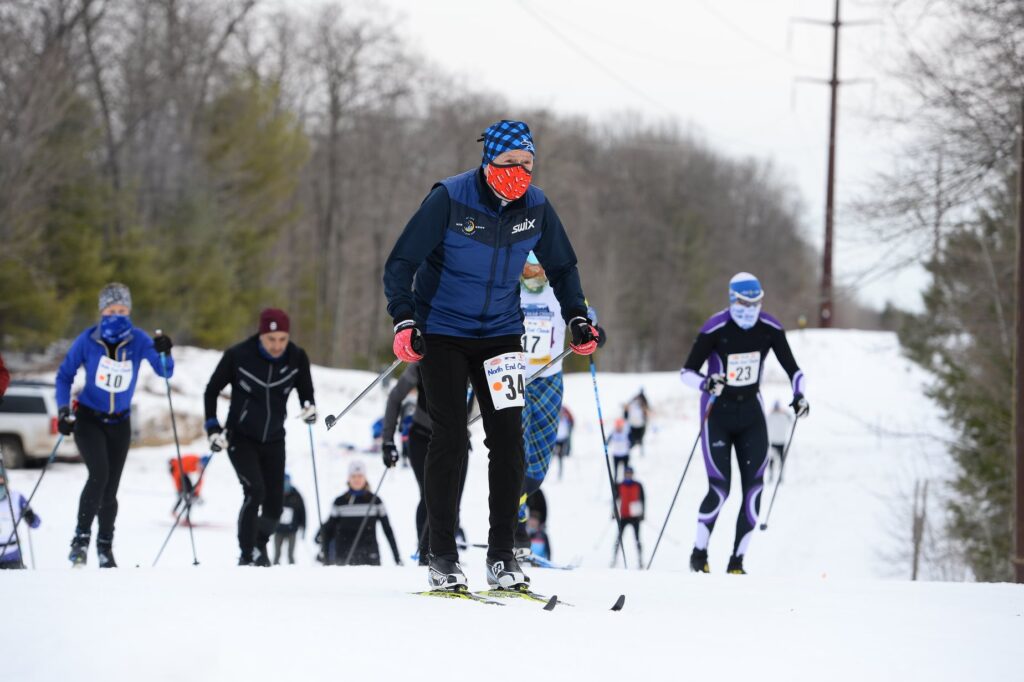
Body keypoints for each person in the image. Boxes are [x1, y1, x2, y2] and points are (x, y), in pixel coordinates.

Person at [382, 119, 599, 591]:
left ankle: (502, 555)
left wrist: (578, 317)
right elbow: (401, 262)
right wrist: (404, 319)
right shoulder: (450, 198)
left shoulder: (537, 207)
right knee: (451, 437)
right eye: (510, 163)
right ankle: (441, 553)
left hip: (501, 335)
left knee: (508, 440)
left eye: (527, 164)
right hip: (441, 332)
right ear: (488, 162)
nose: (519, 172)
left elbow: (562, 266)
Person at [679, 272, 809, 575]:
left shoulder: (770, 328)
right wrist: (707, 384)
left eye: (756, 303)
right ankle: (700, 554)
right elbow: (686, 372)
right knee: (720, 488)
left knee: (753, 489)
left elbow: (795, 370)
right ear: (732, 299)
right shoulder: (716, 327)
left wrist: (799, 396)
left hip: (751, 413)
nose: (750, 309)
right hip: (717, 414)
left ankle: (737, 563)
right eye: (743, 302)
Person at [56, 282, 174, 568]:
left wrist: (164, 351)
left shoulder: (138, 339)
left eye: (122, 310)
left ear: (129, 310)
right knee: (99, 474)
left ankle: (105, 548)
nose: (117, 315)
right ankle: (80, 540)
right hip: (89, 419)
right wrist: (62, 411)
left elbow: (164, 371)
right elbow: (64, 375)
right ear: (102, 311)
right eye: (111, 310)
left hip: (120, 424)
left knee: (109, 491)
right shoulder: (88, 340)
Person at [203, 308, 316, 566]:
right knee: (255, 491)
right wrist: (212, 428)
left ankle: (258, 544)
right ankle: (246, 554)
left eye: (282, 340)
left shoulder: (297, 357)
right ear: (261, 335)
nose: (277, 346)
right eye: (271, 339)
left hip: (275, 438)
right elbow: (211, 391)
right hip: (240, 437)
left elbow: (306, 391)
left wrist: (309, 407)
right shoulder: (238, 355)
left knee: (275, 505)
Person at [516, 252, 605, 556]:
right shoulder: (508, 290)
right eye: (528, 269)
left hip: (550, 379)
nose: (534, 275)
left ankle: (520, 503)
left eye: (540, 268)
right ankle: (515, 528)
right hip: (516, 378)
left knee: (539, 460)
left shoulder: (560, 291)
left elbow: (585, 315)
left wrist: (593, 331)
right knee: (515, 451)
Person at [382, 363, 470, 565]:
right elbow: (395, 397)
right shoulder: (423, 362)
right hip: (423, 439)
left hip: (458, 439)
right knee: (431, 496)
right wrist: (388, 440)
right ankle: (426, 554)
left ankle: (447, 555)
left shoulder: (473, 360)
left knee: (454, 501)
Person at [318, 461, 401, 566]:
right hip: (344, 558)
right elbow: (328, 531)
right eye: (353, 476)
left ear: (365, 478)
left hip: (370, 557)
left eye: (360, 476)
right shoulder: (339, 502)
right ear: (348, 478)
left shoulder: (375, 501)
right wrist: (326, 558)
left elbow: (388, 530)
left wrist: (397, 558)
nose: (357, 479)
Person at [0, 470, 40, 569]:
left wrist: (30, 517)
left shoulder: (17, 498)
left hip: (12, 558)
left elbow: (36, 524)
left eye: (1, 479)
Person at [612, 466, 645, 569]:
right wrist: (614, 513)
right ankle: (614, 559)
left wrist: (642, 513)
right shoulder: (620, 485)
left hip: (635, 516)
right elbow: (615, 499)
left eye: (630, 473)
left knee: (637, 539)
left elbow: (643, 499)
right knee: (618, 538)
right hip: (624, 516)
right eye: (626, 473)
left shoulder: (638, 485)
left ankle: (640, 560)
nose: (628, 475)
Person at [274, 474, 306, 565]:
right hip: (278, 529)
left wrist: (303, 526)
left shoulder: (296, 495)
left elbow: (302, 512)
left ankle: (292, 570)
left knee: (291, 554)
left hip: (292, 530)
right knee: (277, 554)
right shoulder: (276, 493)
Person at [766, 400, 794, 485]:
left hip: (780, 442)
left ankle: (780, 477)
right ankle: (771, 476)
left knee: (780, 460)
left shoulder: (782, 416)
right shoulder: (771, 416)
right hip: (773, 442)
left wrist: (784, 412)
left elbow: (791, 420)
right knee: (772, 460)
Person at [625, 390, 651, 457]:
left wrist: (646, 419)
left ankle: (641, 452)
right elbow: (626, 410)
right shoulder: (632, 402)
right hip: (633, 425)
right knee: (632, 439)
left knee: (640, 439)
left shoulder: (643, 404)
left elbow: (647, 412)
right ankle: (628, 450)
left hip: (641, 425)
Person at [553, 405, 574, 480]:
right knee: (552, 457)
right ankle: (548, 474)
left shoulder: (566, 420)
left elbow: (571, 424)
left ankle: (560, 475)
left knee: (560, 457)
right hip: (556, 440)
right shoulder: (556, 419)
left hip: (563, 440)